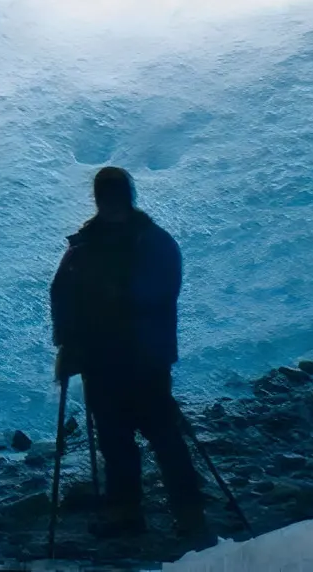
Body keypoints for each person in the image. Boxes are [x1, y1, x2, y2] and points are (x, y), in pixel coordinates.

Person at [50, 167, 206, 539]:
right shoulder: (112, 243)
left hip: (139, 357)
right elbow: (63, 293)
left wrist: (79, 334)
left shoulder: (134, 243)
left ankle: (178, 512)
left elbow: (154, 296)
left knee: (156, 434)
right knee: (122, 436)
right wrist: (70, 343)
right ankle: (145, 512)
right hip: (113, 358)